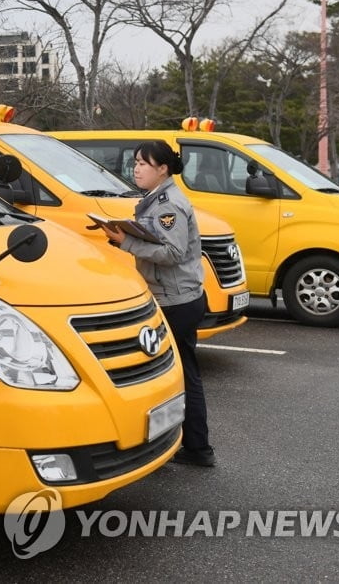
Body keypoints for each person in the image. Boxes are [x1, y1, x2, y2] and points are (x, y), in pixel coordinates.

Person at [100, 140, 215, 468]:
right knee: (181, 372)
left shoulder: (169, 204)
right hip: (177, 296)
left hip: (176, 300)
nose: (136, 168)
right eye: (135, 162)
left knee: (177, 374)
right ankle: (194, 445)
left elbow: (173, 253)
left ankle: (196, 447)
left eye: (144, 163)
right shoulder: (157, 199)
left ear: (162, 168)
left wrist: (127, 241)